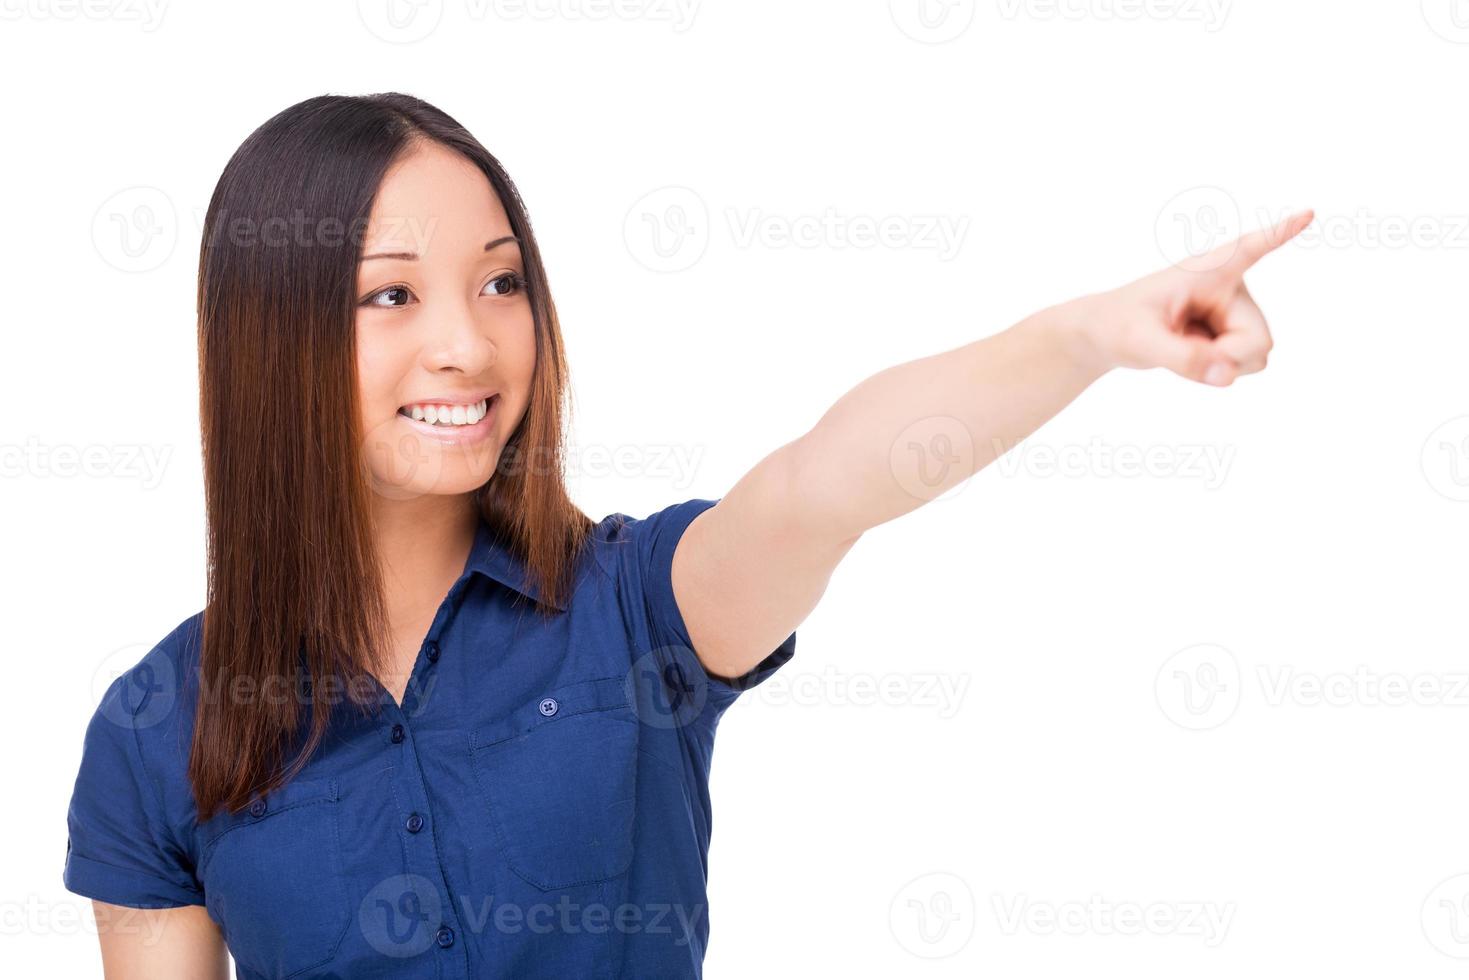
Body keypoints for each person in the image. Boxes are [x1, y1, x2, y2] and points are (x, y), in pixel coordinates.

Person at [61, 91, 1311, 979]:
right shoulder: (154, 726)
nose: (468, 341)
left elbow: (827, 479)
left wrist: (1090, 334)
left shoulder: (634, 608)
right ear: (267, 340)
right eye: (392, 294)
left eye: (501, 281)